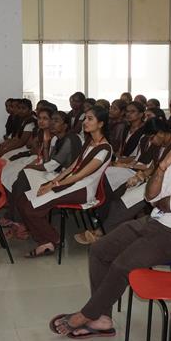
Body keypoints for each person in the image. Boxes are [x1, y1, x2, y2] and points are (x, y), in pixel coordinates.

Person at [49, 117, 171, 339]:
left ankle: (86, 315)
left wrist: (162, 200)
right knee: (99, 250)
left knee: (123, 264)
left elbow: (170, 204)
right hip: (156, 221)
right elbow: (150, 196)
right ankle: (102, 318)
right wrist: (161, 168)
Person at [16, 106, 112, 258]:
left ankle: (52, 239)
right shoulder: (89, 142)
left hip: (82, 189)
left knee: (30, 208)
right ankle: (46, 241)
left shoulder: (104, 149)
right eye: (85, 118)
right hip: (71, 184)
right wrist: (52, 182)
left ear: (100, 124)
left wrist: (54, 186)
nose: (84, 122)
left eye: (90, 119)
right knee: (23, 200)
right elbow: (73, 167)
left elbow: (80, 175)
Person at [82, 118, 171, 243]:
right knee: (120, 191)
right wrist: (141, 176)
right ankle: (105, 228)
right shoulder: (160, 145)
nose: (151, 141)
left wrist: (144, 178)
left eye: (152, 137)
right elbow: (153, 167)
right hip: (153, 180)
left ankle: (102, 233)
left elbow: (170, 174)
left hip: (164, 186)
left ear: (160, 133)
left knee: (125, 202)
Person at [3, 111, 83, 237]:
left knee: (24, 176)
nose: (51, 123)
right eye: (52, 120)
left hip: (66, 179)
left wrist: (31, 166)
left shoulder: (70, 139)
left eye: (56, 121)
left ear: (66, 125)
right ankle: (17, 219)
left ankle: (19, 221)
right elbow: (48, 162)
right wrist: (46, 144)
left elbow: (51, 166)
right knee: (23, 177)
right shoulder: (58, 138)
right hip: (56, 173)